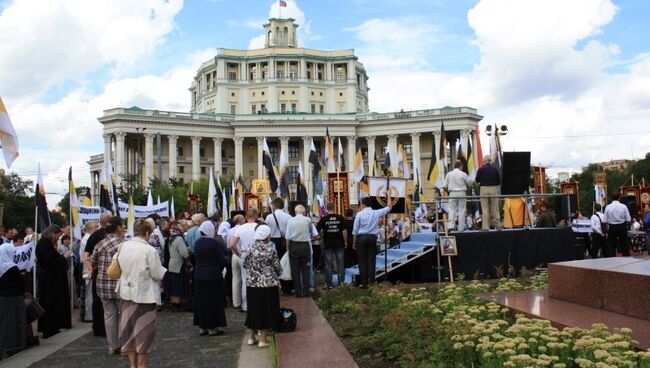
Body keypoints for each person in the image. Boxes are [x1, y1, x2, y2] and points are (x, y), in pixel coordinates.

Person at [117, 219, 166, 368]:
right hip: (145, 296)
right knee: (143, 334)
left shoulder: (123, 246)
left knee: (129, 332)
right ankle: (142, 365)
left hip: (126, 293)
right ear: (146, 233)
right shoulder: (149, 250)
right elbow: (157, 273)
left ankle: (133, 365)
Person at [91, 216, 125, 355]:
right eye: (122, 226)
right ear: (118, 227)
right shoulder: (122, 244)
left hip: (103, 284)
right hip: (118, 284)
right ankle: (123, 344)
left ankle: (112, 345)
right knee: (123, 315)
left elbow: (93, 262)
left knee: (109, 315)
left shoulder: (100, 244)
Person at [243, 225, 281, 348]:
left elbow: (245, 264)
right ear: (267, 236)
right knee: (266, 310)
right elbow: (278, 268)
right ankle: (263, 339)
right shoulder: (270, 250)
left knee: (253, 309)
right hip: (268, 284)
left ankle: (251, 337)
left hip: (252, 283)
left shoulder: (249, 248)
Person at [36, 225, 72, 338]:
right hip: (49, 280)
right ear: (52, 233)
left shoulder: (46, 243)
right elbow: (50, 261)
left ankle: (53, 326)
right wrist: (63, 257)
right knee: (49, 303)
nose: (58, 238)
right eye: (57, 235)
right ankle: (49, 328)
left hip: (51, 279)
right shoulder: (44, 244)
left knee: (52, 303)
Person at [192, 221, 227, 336]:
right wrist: (220, 269)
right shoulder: (214, 243)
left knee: (201, 301)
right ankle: (212, 327)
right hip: (213, 275)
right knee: (213, 301)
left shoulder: (197, 243)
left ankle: (202, 326)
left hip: (199, 275)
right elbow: (221, 260)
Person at [352, 196, 392, 288]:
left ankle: (363, 283)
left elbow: (355, 230)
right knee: (371, 260)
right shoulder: (376, 213)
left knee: (362, 261)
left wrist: (354, 242)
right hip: (372, 238)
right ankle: (372, 281)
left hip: (361, 238)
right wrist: (389, 195)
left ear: (363, 204)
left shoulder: (359, 214)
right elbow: (389, 207)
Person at [85, 212, 111, 337]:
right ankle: (106, 328)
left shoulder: (93, 236)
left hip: (97, 273)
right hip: (108, 274)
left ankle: (97, 327)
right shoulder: (108, 237)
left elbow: (86, 257)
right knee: (108, 303)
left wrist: (92, 270)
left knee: (97, 301)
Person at [0, 243, 26, 356]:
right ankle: (15, 345)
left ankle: (4, 347)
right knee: (16, 323)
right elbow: (21, 283)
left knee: (4, 324)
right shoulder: (11, 267)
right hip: (14, 298)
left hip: (2, 298)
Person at [230, 209, 259, 311]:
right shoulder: (258, 227)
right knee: (257, 279)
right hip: (256, 253)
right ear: (256, 216)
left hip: (244, 253)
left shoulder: (241, 228)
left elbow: (232, 244)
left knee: (245, 279)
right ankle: (257, 303)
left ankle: (245, 305)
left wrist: (239, 253)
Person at [317, 203, 348, 288]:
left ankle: (329, 284)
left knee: (328, 264)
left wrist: (322, 236)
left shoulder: (324, 219)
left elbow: (317, 230)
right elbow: (344, 231)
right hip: (339, 244)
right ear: (334, 208)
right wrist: (345, 242)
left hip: (328, 244)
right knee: (340, 264)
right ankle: (341, 283)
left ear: (327, 209)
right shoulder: (340, 218)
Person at [265, 197, 292, 293]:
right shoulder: (288, 216)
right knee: (285, 264)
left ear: (274, 206)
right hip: (285, 241)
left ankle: (275, 286)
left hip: (273, 241)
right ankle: (286, 287)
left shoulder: (269, 217)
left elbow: (266, 231)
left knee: (273, 264)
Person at [285, 205, 313, 297]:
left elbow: (288, 237)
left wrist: (288, 249)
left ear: (295, 211)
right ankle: (306, 292)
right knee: (306, 269)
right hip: (305, 245)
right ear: (304, 212)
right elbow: (310, 231)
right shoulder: (308, 220)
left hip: (294, 245)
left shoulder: (290, 220)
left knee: (295, 270)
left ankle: (298, 292)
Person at [443, 160, 473, 231]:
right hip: (462, 193)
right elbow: (470, 183)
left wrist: (449, 192)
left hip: (452, 193)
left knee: (451, 209)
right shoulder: (463, 174)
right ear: (461, 166)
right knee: (462, 210)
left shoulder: (449, 174)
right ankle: (461, 228)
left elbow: (444, 186)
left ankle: (451, 225)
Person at [166, 221, 190, 310]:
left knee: (173, 283)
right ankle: (178, 302)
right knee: (178, 284)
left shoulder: (170, 238)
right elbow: (183, 252)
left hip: (171, 263)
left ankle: (173, 301)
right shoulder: (179, 239)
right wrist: (188, 256)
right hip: (179, 264)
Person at [475, 155, 502, 231]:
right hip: (493, 188)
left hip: (483, 189)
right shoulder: (495, 170)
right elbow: (498, 182)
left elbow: (477, 180)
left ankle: (485, 227)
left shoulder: (481, 169)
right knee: (495, 208)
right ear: (491, 161)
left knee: (485, 209)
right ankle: (498, 226)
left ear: (484, 162)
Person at [603, 192, 631, 257]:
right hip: (622, 227)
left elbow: (604, 220)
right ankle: (627, 259)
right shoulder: (624, 206)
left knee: (611, 246)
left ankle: (612, 260)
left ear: (611, 198)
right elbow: (628, 219)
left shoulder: (608, 207)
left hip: (612, 227)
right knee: (624, 244)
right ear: (619, 198)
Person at [80, 221, 98, 322]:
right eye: (95, 227)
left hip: (89, 268)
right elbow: (87, 257)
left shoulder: (87, 238)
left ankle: (90, 315)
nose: (97, 228)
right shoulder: (87, 239)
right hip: (89, 269)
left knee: (90, 293)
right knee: (90, 294)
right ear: (90, 229)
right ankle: (89, 315)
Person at [228, 214, 245, 310]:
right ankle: (244, 302)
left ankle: (236, 302)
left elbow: (229, 245)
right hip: (241, 254)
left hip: (234, 255)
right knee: (244, 279)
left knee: (235, 279)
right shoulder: (243, 229)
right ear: (240, 220)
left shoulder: (230, 231)